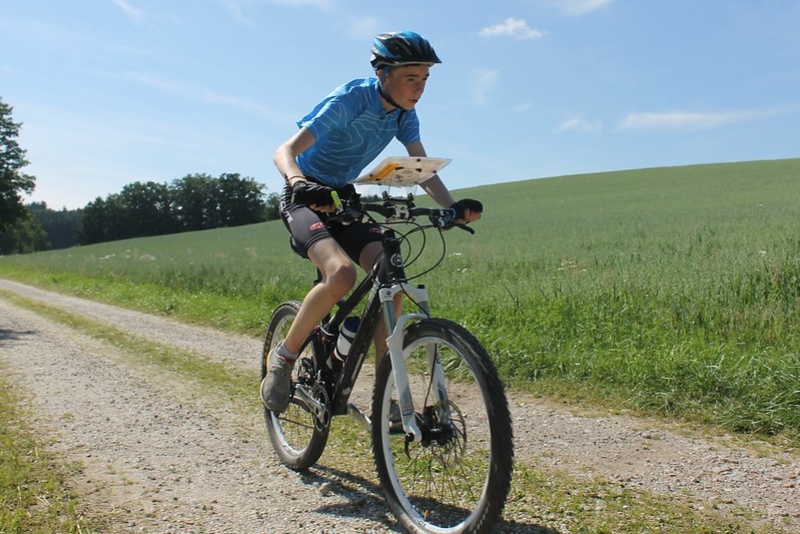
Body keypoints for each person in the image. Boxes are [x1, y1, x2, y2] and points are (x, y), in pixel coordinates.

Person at [261, 30, 483, 413]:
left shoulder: (405, 115)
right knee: (341, 275)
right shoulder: (352, 99)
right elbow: (285, 150)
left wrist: (452, 207)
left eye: (425, 79)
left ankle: (388, 396)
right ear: (383, 75)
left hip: (344, 197)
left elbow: (422, 169)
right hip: (305, 196)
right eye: (411, 78)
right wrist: (300, 183)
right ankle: (282, 361)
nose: (419, 88)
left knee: (392, 284)